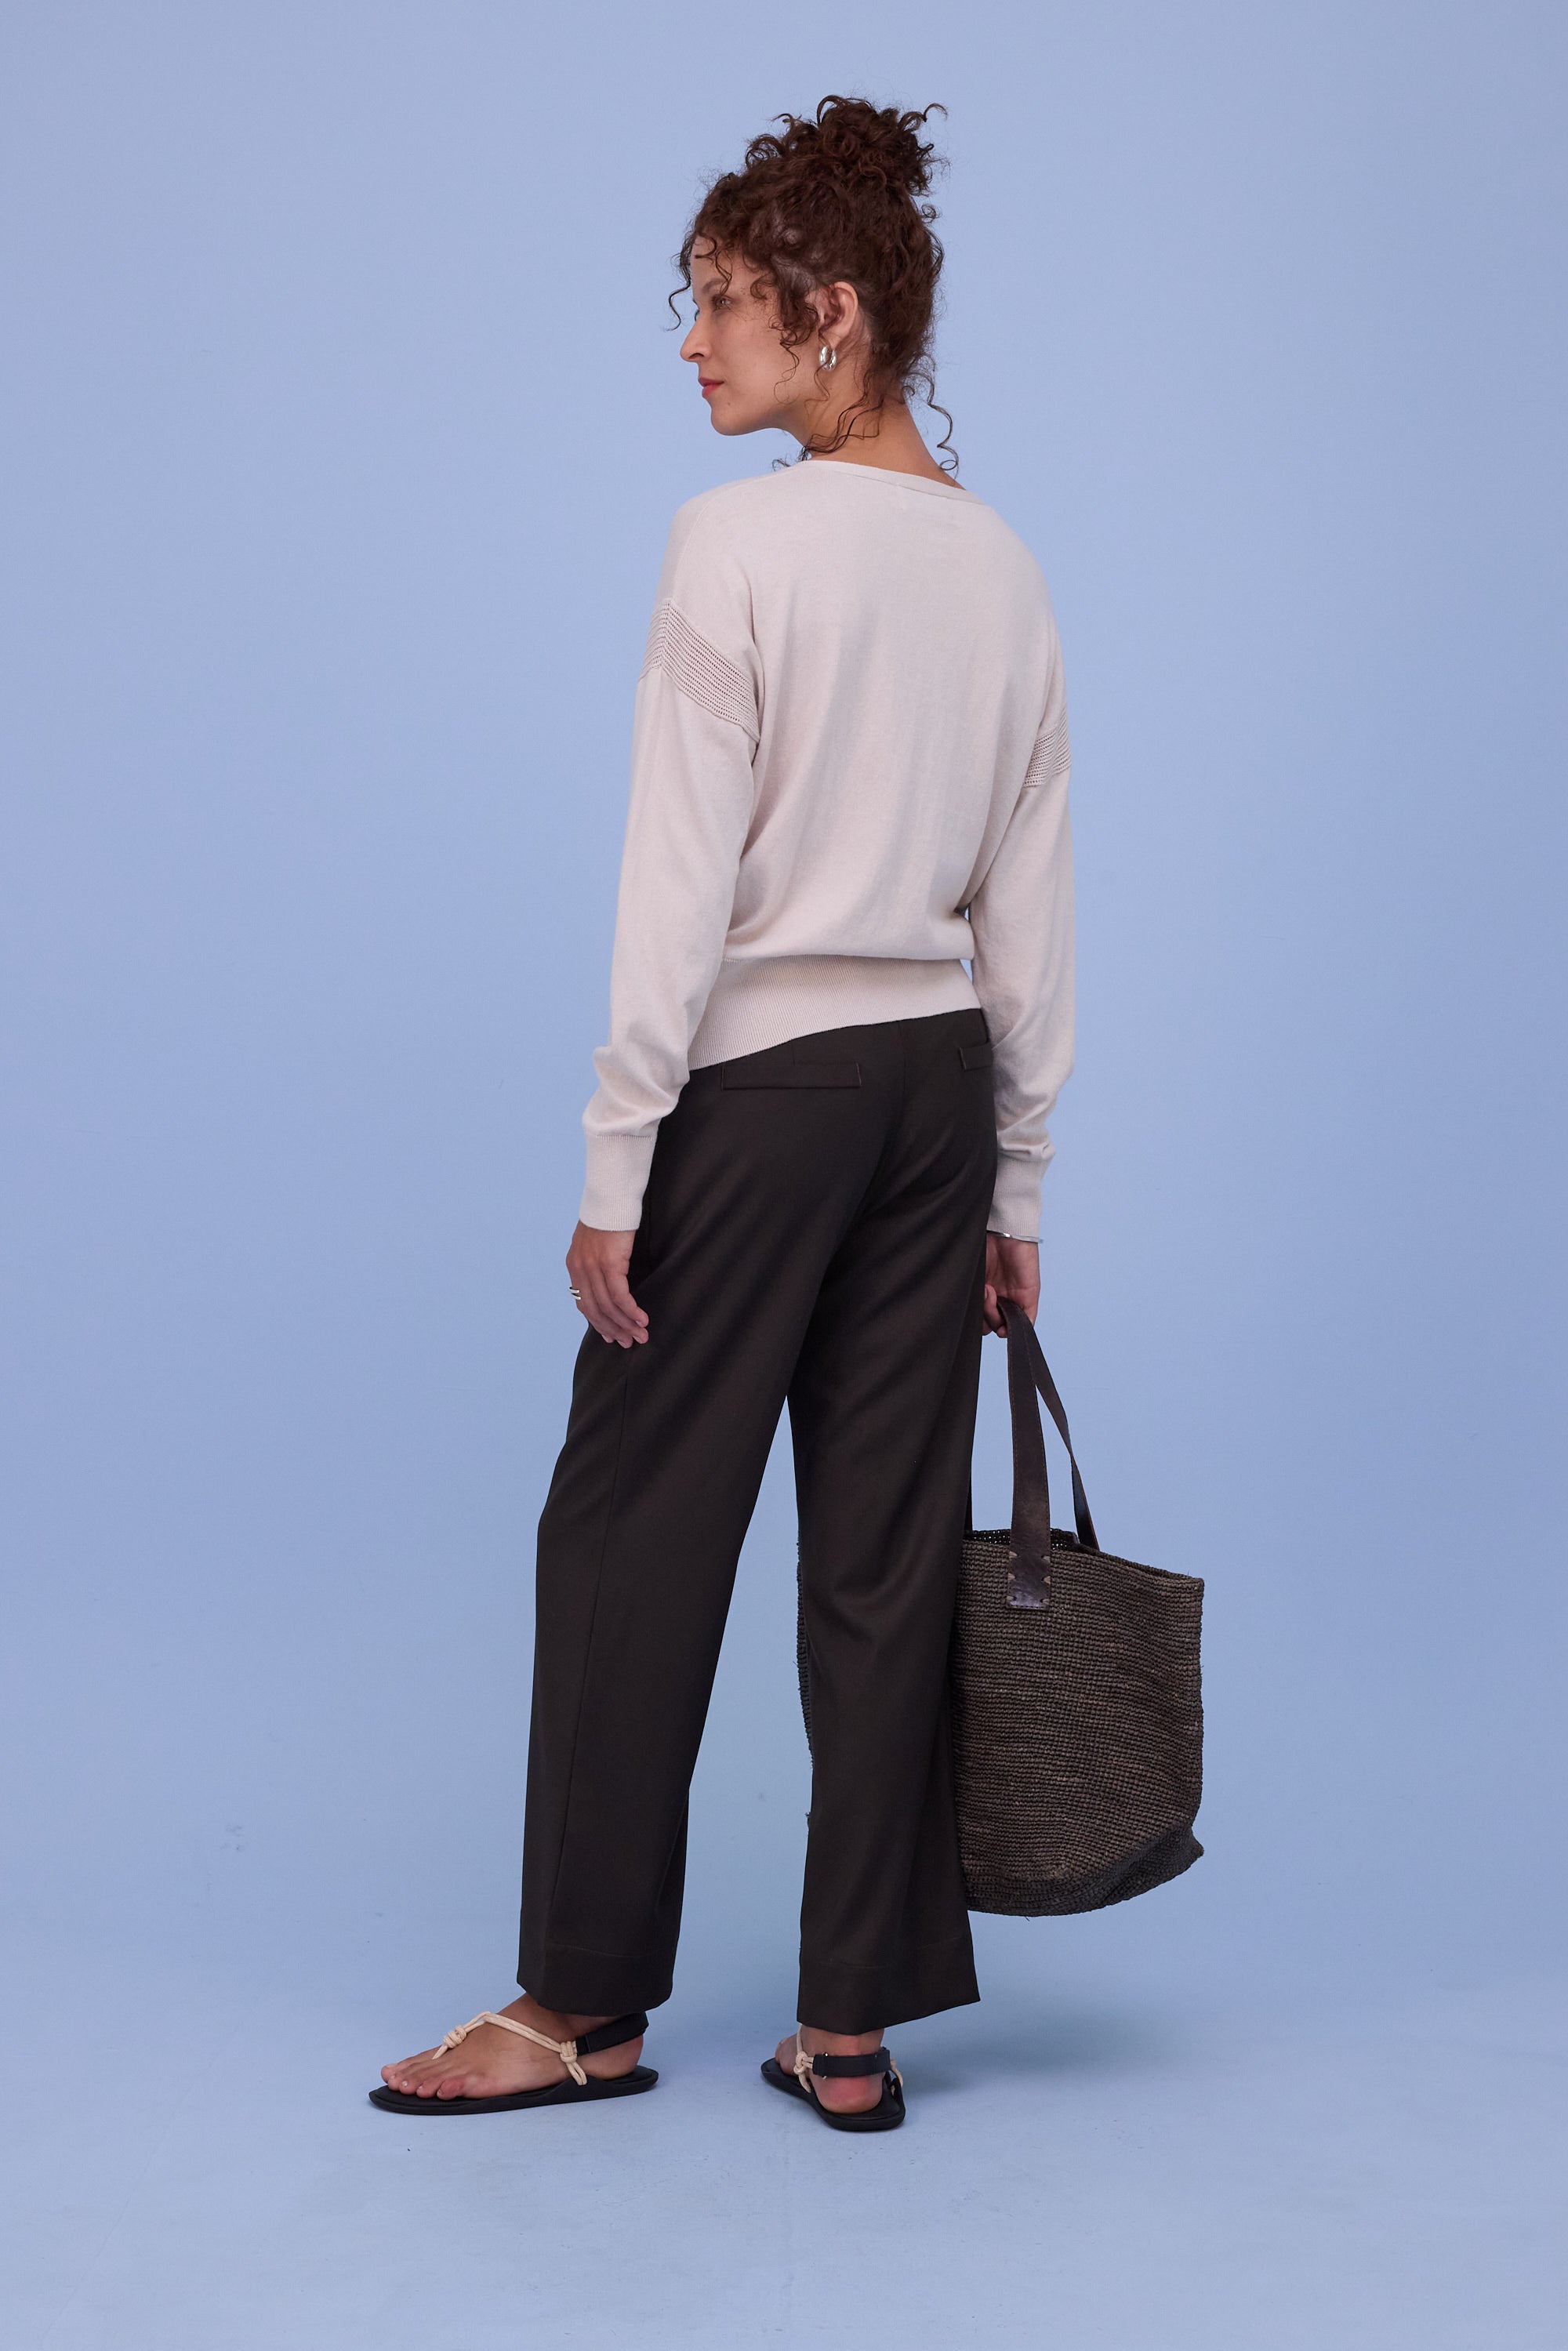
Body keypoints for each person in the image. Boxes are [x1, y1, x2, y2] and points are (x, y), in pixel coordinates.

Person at [374, 93, 1075, 2133]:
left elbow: (677, 886)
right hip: (936, 1093)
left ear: (830, 314)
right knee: (882, 1559)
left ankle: (577, 2010)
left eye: (720, 304)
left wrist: (620, 1160)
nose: (689, 344)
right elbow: (1030, 902)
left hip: (762, 1090)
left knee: (628, 1533)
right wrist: (1020, 1181)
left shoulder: (738, 541)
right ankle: (849, 2026)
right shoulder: (1005, 570)